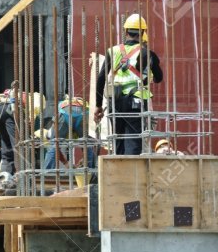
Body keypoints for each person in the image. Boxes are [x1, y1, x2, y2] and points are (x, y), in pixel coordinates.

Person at [94, 14, 163, 155]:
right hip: (135, 101)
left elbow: (101, 78)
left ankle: (119, 174)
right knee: (134, 140)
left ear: (126, 32)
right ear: (143, 33)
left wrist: (98, 105)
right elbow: (158, 78)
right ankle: (131, 175)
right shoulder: (148, 54)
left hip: (115, 101)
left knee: (118, 139)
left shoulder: (112, 51)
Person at [0, 89, 45, 173]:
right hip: (9, 109)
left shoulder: (19, 96)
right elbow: (31, 118)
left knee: (7, 144)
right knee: (18, 145)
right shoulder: (37, 99)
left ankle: (6, 176)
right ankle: (21, 176)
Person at [44, 96, 95, 170]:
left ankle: (47, 173)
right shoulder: (69, 103)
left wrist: (66, 163)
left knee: (54, 144)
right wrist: (85, 159)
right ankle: (89, 171)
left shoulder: (52, 131)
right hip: (82, 114)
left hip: (66, 113)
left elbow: (55, 149)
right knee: (87, 143)